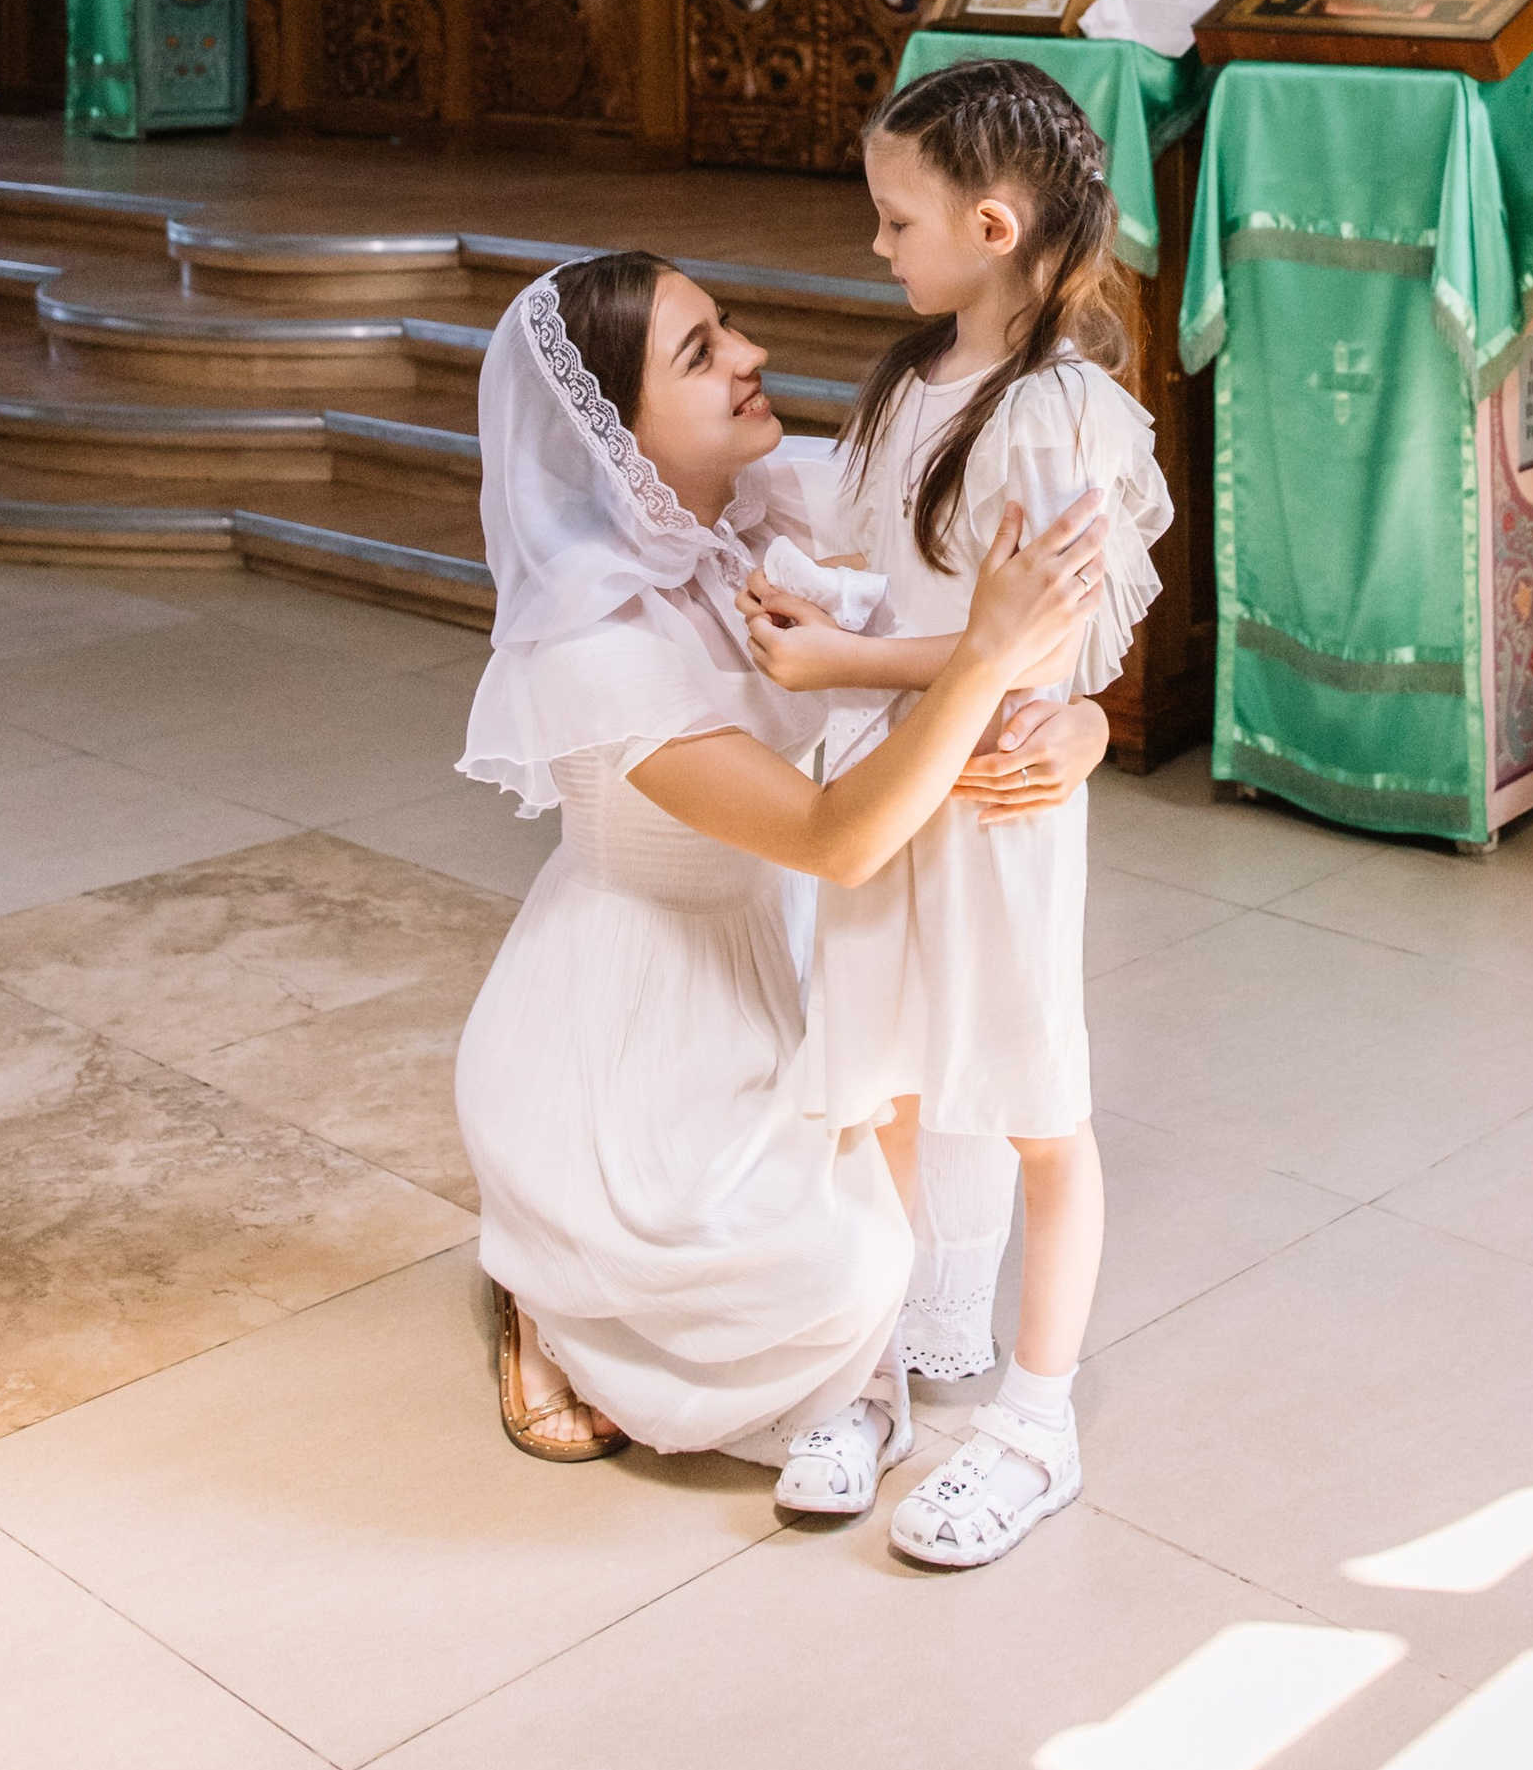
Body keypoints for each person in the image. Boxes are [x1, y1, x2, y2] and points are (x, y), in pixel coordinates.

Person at [453, 255, 1114, 1474]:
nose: (752, 355)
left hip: (784, 947)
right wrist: (981, 662)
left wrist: (1083, 722)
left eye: (730, 326)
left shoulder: (778, 503)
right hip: (632, 1014)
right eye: (699, 355)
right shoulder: (592, 648)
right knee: (851, 1267)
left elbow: (1032, 589)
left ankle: (601, 1276)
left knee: (937, 1160)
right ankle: (550, 1278)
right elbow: (836, 839)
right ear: (616, 432)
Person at [745, 61, 1172, 1565]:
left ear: (991, 226)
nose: (878, 247)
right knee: (883, 1086)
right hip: (888, 774)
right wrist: (827, 606)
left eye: (895, 219)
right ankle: (870, 1378)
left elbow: (1029, 649)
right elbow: (913, 582)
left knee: (1035, 1107)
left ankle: (1036, 1421)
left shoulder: (1056, 416)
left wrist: (850, 653)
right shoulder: (908, 379)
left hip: (987, 794)